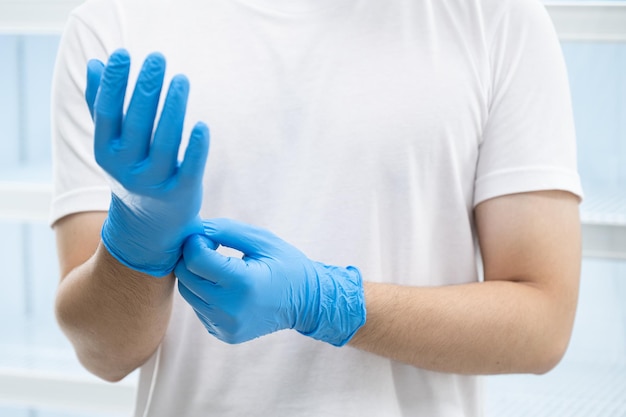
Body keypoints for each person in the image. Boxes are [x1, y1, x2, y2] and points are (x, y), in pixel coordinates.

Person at [49, 0, 583, 416]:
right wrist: (136, 244)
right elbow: (105, 355)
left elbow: (543, 323)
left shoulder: (498, 18)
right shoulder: (112, 24)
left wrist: (332, 304)